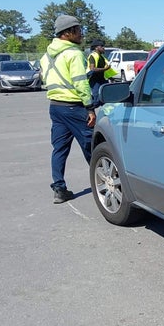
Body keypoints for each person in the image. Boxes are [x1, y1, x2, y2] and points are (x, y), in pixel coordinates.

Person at [39, 15, 96, 204]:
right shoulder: (74, 53)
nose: (81, 34)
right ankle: (104, 181)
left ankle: (59, 189)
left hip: (55, 107)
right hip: (74, 107)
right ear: (68, 32)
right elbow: (81, 83)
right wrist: (90, 107)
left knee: (59, 150)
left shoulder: (46, 56)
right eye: (79, 30)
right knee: (93, 147)